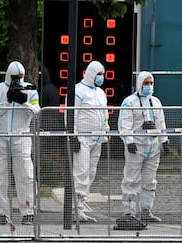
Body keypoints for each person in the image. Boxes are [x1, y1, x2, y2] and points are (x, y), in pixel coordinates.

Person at [0, 60, 40, 226]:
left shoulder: (30, 90)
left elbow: (37, 112)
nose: (18, 80)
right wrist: (8, 101)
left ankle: (28, 211)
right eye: (15, 78)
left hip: (21, 135)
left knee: (25, 174)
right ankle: (0, 212)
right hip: (0, 135)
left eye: (20, 77)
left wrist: (23, 101)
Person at [115, 71, 169, 230]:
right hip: (136, 148)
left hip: (153, 148)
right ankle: (129, 212)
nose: (149, 86)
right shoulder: (129, 102)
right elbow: (124, 124)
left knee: (150, 181)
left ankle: (146, 210)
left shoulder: (156, 102)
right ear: (139, 83)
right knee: (131, 180)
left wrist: (164, 141)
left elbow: (161, 123)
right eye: (146, 83)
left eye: (151, 83)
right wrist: (129, 141)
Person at [69, 60, 110, 222]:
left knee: (91, 173)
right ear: (91, 73)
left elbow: (104, 114)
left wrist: (105, 132)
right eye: (98, 74)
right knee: (81, 172)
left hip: (97, 138)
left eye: (102, 74)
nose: (101, 77)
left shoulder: (100, 93)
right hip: (82, 138)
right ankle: (74, 208)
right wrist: (73, 135)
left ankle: (81, 207)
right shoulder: (78, 90)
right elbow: (71, 113)